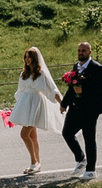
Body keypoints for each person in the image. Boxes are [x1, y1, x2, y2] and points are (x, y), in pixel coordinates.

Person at [9, 46, 62, 176]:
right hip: (25, 104)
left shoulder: (41, 74)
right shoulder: (23, 74)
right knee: (32, 136)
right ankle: (37, 163)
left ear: (35, 58)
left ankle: (34, 163)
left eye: (30, 57)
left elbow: (52, 90)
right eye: (26, 57)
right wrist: (17, 107)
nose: (27, 60)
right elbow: (20, 91)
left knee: (24, 134)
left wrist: (62, 103)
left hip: (36, 104)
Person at [61, 40, 102, 181]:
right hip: (75, 108)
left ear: (89, 52)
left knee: (89, 138)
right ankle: (81, 158)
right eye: (79, 50)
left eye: (83, 51)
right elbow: (71, 88)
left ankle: (91, 170)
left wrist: (84, 88)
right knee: (67, 133)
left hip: (90, 109)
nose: (81, 53)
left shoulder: (98, 68)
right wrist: (64, 103)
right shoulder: (76, 67)